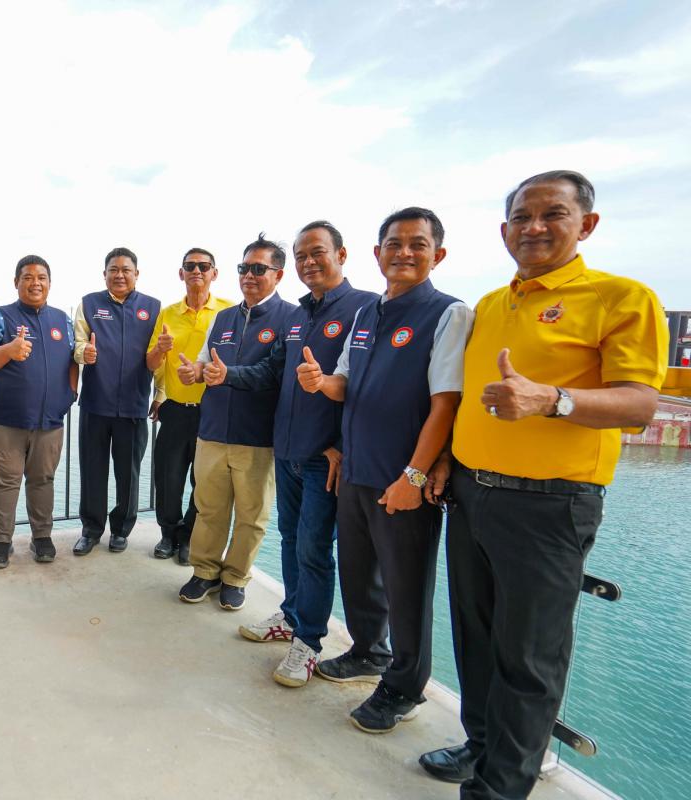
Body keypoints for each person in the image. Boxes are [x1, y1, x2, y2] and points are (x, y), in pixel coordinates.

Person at [417, 172, 667, 798]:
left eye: (552, 213)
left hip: (550, 503)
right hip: (471, 492)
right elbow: (465, 398)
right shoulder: (489, 306)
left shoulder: (621, 297)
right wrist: (445, 459)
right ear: (504, 231)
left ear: (587, 224)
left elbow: (640, 405)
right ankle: (480, 747)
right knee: (475, 638)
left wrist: (552, 399)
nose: (533, 227)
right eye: (521, 217)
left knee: (528, 658)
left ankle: (500, 788)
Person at [297, 207, 472, 733]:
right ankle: (368, 651)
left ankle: (404, 686)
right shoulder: (366, 315)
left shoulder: (448, 313)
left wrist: (414, 477)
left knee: (406, 589)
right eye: (394, 243)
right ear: (377, 253)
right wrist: (319, 382)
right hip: (356, 471)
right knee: (358, 575)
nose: (404, 253)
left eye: (418, 244)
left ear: (439, 254)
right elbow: (345, 384)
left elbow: (445, 403)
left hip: (403, 479)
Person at [210, 221, 379, 688]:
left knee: (314, 550)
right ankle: (290, 616)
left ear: (341, 254)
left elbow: (366, 384)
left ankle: (308, 642)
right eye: (302, 255)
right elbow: (271, 372)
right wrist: (226, 375)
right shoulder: (299, 314)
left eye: (317, 252)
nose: (309, 262)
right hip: (287, 448)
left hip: (326, 458)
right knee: (289, 540)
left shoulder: (364, 308)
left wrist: (342, 443)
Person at [176, 234, 295, 611]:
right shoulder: (223, 317)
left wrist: (226, 374)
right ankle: (205, 571)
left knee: (251, 516)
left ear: (278, 274)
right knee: (209, 508)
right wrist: (193, 372)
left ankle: (235, 577)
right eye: (244, 268)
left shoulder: (290, 318)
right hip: (212, 431)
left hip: (257, 436)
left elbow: (273, 372)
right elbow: (203, 362)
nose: (249, 275)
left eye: (259, 269)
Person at [0, 256, 77, 569]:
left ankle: (42, 537)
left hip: (50, 423)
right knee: (5, 483)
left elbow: (73, 360)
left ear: (49, 282)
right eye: (28, 277)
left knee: (43, 480)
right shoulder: (0, 316)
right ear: (16, 282)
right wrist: (8, 350)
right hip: (7, 422)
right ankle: (1, 542)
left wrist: (71, 394)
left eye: (41, 277)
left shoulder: (62, 320)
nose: (35, 283)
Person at [72, 247, 160, 556]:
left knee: (129, 475)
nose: (119, 275)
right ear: (105, 274)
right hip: (95, 404)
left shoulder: (153, 308)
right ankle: (91, 530)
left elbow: (159, 356)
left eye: (126, 270)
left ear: (137, 274)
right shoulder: (88, 304)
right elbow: (78, 343)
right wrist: (85, 353)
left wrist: (160, 394)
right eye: (113, 269)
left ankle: (121, 530)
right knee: (92, 471)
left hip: (134, 406)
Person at [146, 248, 233, 565]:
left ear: (214, 273)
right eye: (190, 266)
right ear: (181, 273)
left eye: (203, 266)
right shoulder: (168, 313)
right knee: (168, 478)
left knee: (204, 481)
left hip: (212, 412)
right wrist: (160, 349)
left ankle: (189, 537)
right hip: (174, 409)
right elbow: (151, 363)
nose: (197, 271)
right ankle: (168, 534)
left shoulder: (228, 311)